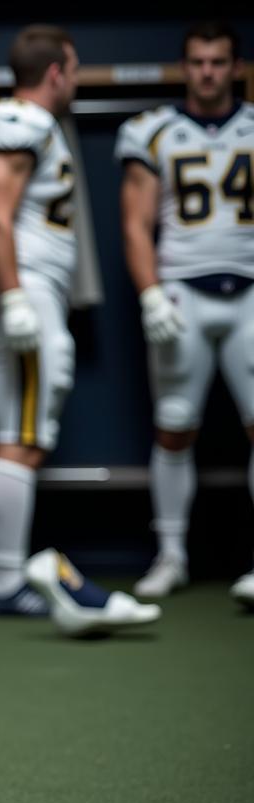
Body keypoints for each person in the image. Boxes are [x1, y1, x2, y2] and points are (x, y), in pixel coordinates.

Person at [0, 24, 161, 637]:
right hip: (17, 291)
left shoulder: (29, 123)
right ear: (56, 73)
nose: (75, 83)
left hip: (26, 290)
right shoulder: (19, 120)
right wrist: (16, 298)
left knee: (24, 434)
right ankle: (4, 584)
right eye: (73, 71)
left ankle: (7, 577)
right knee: (18, 437)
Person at [116, 22, 254, 609]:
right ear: (184, 66)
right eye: (197, 62)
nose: (207, 72)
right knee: (174, 428)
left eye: (217, 62)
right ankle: (171, 555)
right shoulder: (153, 131)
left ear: (234, 66)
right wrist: (149, 292)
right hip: (182, 292)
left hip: (250, 289)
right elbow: (135, 223)